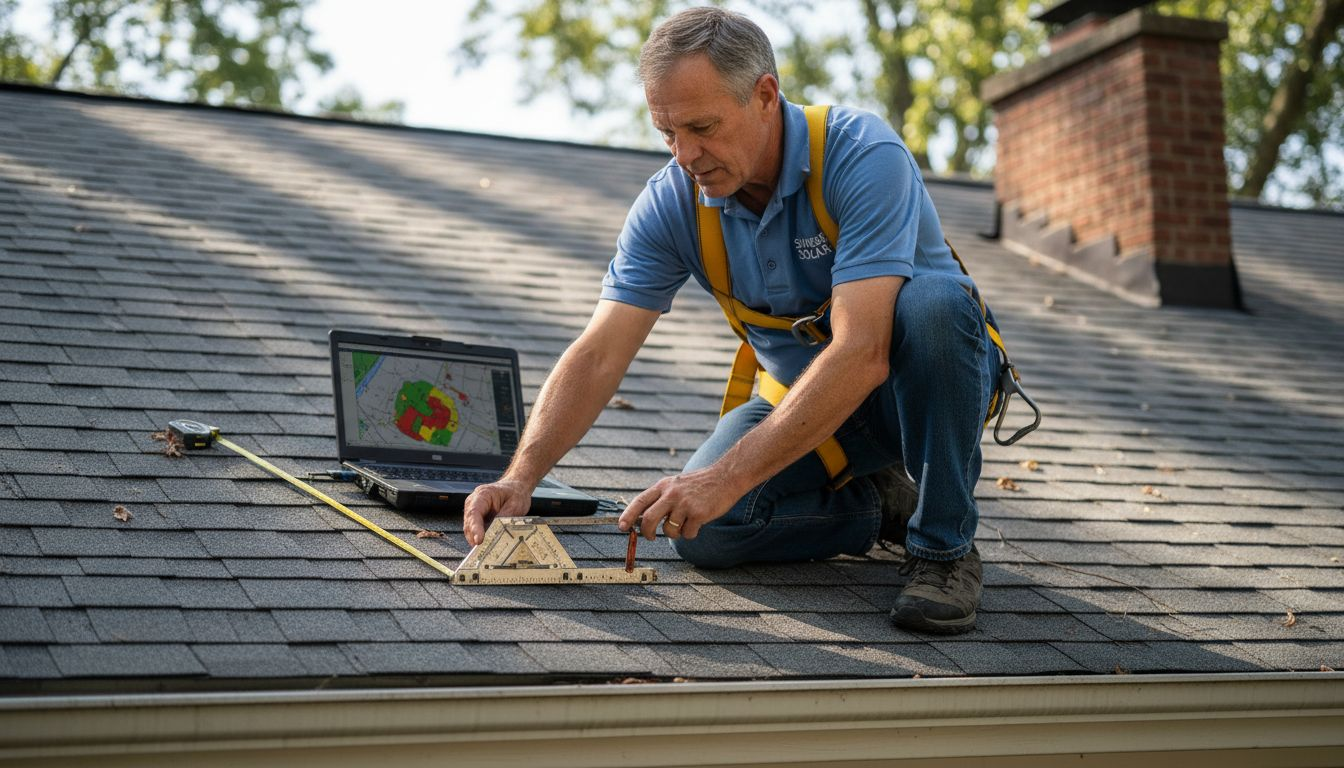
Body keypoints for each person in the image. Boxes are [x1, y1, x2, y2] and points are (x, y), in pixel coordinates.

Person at [462, 6, 1000, 634]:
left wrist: (724, 477)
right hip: (811, 407)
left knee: (933, 305)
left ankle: (942, 546)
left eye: (703, 126)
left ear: (765, 96)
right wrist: (521, 477)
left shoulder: (861, 154)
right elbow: (601, 350)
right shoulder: (673, 203)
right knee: (705, 529)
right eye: (667, 132)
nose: (685, 154)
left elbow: (863, 353)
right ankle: (878, 504)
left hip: (919, 396)